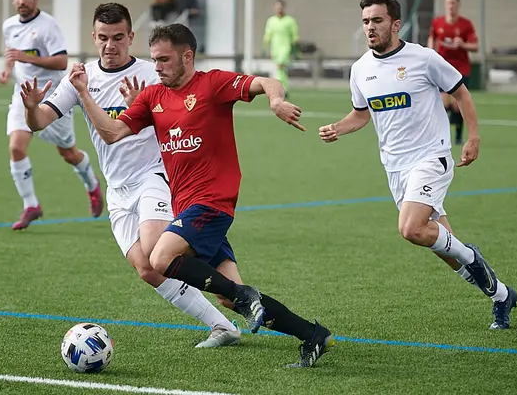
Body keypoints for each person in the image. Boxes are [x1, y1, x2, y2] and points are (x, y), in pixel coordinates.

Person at [56, 23, 334, 368]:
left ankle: (245, 297)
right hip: (185, 207)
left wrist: (275, 100)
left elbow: (265, 82)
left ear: (187, 57)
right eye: (154, 60)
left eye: (164, 60)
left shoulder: (212, 84)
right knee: (228, 296)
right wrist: (84, 93)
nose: (157, 67)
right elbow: (112, 132)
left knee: (159, 258)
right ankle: (312, 334)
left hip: (213, 201)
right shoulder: (152, 97)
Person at [18, 3, 240, 348]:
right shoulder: (80, 79)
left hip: (155, 175)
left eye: (118, 37)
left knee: (154, 250)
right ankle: (223, 326)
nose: (110, 45)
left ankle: (214, 256)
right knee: (147, 269)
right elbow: (39, 122)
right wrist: (31, 107)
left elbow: (188, 107)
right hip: (118, 188)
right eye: (103, 38)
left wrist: (146, 106)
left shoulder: (154, 72)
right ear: (94, 37)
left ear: (131, 37)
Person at [319, 0, 517, 330]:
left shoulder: (423, 58)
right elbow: (361, 114)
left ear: (396, 24)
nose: (370, 27)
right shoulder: (360, 69)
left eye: (377, 20)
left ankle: (472, 254)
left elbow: (460, 92)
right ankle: (501, 295)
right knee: (446, 250)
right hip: (395, 167)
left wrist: (473, 137)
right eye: (365, 21)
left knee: (410, 229)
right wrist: (337, 128)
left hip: (430, 157)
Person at [0, 0, 102, 230]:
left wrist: (26, 57)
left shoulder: (48, 26)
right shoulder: (9, 26)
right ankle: (31, 205)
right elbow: (12, 54)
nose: (21, 1)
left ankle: (92, 184)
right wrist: (7, 69)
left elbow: (61, 62)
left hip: (53, 95)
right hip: (24, 95)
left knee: (68, 153)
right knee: (16, 147)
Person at [427, 0, 479, 146]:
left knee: (458, 105)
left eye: (453, 3)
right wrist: (430, 52)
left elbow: (475, 46)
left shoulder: (466, 24)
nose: (451, 6)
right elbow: (432, 38)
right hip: (442, 68)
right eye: (448, 3)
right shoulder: (437, 22)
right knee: (443, 103)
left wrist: (462, 44)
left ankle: (458, 135)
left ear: (458, 5)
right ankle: (442, 135)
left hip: (461, 69)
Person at [263, 0, 299, 98]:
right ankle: (284, 88)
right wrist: (265, 47)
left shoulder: (290, 21)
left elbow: (294, 35)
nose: (279, 9)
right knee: (281, 70)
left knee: (280, 67)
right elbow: (268, 35)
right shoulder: (271, 21)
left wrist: (295, 49)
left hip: (285, 48)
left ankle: (281, 89)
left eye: (280, 7)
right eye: (277, 7)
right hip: (275, 49)